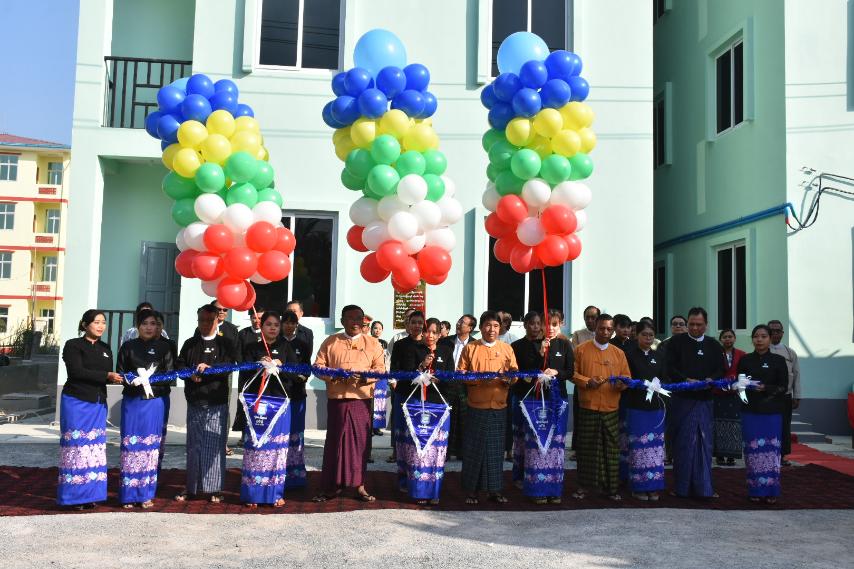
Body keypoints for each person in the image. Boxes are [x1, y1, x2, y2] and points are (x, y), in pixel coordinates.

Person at [312, 304, 385, 502]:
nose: (355, 322)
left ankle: (359, 485)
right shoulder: (331, 341)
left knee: (360, 444)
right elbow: (318, 367)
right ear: (342, 321)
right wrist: (336, 375)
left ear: (364, 322)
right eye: (351, 318)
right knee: (335, 443)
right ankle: (330, 487)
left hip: (362, 400)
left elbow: (381, 369)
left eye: (359, 318)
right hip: (338, 400)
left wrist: (364, 377)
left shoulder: (373, 343)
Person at [58, 310, 124, 509]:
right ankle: (73, 497)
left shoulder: (105, 348)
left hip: (97, 403)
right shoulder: (73, 345)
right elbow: (76, 372)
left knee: (93, 450)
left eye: (103, 322)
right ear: (85, 324)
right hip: (76, 401)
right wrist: (106, 375)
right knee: (77, 449)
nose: (101, 326)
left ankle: (90, 495)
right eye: (96, 322)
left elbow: (108, 374)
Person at [239, 311, 302, 508]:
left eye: (276, 325)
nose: (273, 328)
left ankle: (275, 493)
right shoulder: (252, 347)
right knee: (256, 448)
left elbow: (296, 374)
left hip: (280, 405)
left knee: (277, 450)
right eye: (268, 324)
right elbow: (244, 372)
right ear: (261, 326)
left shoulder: (286, 347)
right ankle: (253, 493)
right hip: (257, 404)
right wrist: (259, 365)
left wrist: (281, 366)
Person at [175, 304, 238, 503]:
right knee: (194, 445)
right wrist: (190, 374)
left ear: (217, 320)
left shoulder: (226, 343)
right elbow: (179, 365)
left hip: (217, 400)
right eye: (201, 320)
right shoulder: (190, 343)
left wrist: (210, 368)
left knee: (215, 446)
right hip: (195, 400)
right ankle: (192, 487)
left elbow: (229, 366)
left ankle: (214, 489)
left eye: (209, 320)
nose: (205, 324)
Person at [510, 310, 573, 504]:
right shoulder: (535, 345)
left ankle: (554, 488)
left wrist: (557, 372)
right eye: (547, 324)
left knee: (555, 445)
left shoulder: (565, 345)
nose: (550, 328)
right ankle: (536, 488)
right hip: (535, 401)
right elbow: (529, 371)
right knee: (536, 445)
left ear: (560, 325)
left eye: (555, 324)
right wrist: (540, 354)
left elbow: (570, 371)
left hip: (557, 400)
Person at [457, 310, 519, 505]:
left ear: (500, 328)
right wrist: (479, 379)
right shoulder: (471, 348)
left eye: (496, 326)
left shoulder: (507, 349)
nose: (492, 329)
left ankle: (495, 490)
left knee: (495, 450)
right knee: (474, 450)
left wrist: (509, 379)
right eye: (488, 325)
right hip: (476, 405)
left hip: (499, 406)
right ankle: (472, 491)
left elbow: (515, 373)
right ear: (481, 327)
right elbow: (461, 373)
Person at [116, 309, 175, 509]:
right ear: (138, 326)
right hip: (133, 401)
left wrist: (149, 381)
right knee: (131, 445)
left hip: (154, 402)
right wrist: (134, 380)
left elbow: (170, 375)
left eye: (153, 323)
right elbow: (120, 373)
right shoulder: (128, 347)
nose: (149, 327)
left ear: (158, 326)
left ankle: (146, 493)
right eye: (144, 323)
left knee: (150, 447)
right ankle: (128, 493)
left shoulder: (165, 347)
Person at [665, 307, 725, 499]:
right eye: (691, 324)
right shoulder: (676, 343)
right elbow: (668, 367)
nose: (695, 328)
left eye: (699, 324)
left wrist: (711, 379)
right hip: (683, 401)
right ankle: (681, 488)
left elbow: (721, 369)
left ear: (706, 325)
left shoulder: (714, 345)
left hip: (705, 401)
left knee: (704, 445)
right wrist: (685, 380)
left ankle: (704, 488)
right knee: (683, 445)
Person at [393, 317, 455, 505]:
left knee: (436, 451)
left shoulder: (446, 350)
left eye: (435, 332)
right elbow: (407, 375)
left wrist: (440, 379)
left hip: (438, 405)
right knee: (418, 450)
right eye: (428, 331)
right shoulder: (415, 349)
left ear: (440, 334)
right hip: (417, 404)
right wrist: (422, 366)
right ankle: (418, 490)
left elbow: (451, 377)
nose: (430, 335)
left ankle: (434, 491)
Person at [571, 313, 630, 501]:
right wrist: (588, 381)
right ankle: (583, 487)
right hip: (588, 406)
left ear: (613, 331)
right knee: (586, 448)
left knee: (611, 449)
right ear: (595, 328)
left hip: (611, 407)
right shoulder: (581, 350)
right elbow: (572, 373)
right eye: (602, 328)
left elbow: (626, 377)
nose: (605, 332)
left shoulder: (618, 353)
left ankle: (611, 489)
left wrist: (621, 384)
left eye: (609, 329)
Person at [737, 325, 789, 504]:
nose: (759, 339)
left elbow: (783, 387)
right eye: (756, 336)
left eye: (763, 336)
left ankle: (771, 490)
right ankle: (755, 490)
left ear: (770, 338)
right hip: (750, 411)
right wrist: (742, 387)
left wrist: (766, 388)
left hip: (772, 412)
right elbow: (740, 383)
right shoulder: (745, 360)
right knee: (752, 451)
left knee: (771, 451)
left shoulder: (778, 360)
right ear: (752, 339)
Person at [622, 321, 666, 501]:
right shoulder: (629, 356)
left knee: (654, 448)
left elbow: (665, 378)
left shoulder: (659, 356)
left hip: (655, 409)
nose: (648, 338)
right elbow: (625, 380)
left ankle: (653, 485)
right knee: (639, 448)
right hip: (636, 407)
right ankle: (638, 486)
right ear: (637, 335)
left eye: (651, 335)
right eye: (644, 334)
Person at [389, 311, 426, 464]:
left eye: (420, 322)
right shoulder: (400, 344)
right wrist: (396, 380)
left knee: (418, 428)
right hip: (403, 391)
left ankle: (418, 459)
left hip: (422, 393)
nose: (417, 325)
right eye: (413, 322)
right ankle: (400, 458)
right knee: (401, 426)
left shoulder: (427, 345)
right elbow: (394, 368)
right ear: (408, 324)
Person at [439, 313, 477, 459]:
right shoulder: (445, 342)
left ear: (470, 328)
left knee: (464, 420)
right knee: (446, 418)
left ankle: (462, 452)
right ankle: (446, 451)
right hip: (447, 385)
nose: (458, 324)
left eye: (463, 322)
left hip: (465, 386)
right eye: (459, 321)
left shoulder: (475, 345)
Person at [280, 309, 311, 487]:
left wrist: (303, 377)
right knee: (280, 434)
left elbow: (307, 367)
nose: (289, 326)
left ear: (297, 326)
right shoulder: (276, 343)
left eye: (293, 323)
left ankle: (296, 474)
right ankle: (278, 472)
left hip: (298, 394)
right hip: (280, 394)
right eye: (286, 322)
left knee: (296, 433)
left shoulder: (303, 344)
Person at [768, 319, 801, 465]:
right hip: (767, 396)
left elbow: (797, 375)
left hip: (785, 396)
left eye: (778, 331)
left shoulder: (790, 352)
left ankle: (782, 456)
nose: (775, 334)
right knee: (768, 425)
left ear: (782, 333)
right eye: (772, 331)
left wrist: (797, 395)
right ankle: (768, 453)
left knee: (784, 426)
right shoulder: (763, 350)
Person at [570, 305, 600, 459]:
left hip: (601, 384)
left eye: (593, 317)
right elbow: (575, 357)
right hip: (582, 383)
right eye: (587, 317)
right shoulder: (578, 335)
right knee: (580, 417)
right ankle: (577, 449)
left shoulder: (604, 334)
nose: (590, 320)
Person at [658, 314, 687, 465]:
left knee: (685, 423)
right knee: (670, 423)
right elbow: (662, 367)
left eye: (681, 324)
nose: (678, 326)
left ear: (686, 327)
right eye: (675, 324)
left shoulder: (691, 344)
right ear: (671, 327)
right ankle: (669, 454)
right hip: (668, 388)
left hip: (687, 389)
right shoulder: (663, 345)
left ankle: (683, 454)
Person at [714, 329, 745, 466]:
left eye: (730, 336)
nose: (728, 339)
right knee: (718, 424)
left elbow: (744, 372)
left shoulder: (742, 355)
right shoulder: (715, 354)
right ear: (721, 339)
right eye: (725, 337)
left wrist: (738, 383)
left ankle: (731, 455)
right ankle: (719, 455)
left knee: (734, 424)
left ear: (734, 338)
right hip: (718, 394)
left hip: (734, 394)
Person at [369, 320, 390, 436]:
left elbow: (387, 359)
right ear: (371, 329)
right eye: (375, 328)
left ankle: (377, 427)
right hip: (371, 375)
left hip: (382, 376)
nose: (377, 330)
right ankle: (369, 426)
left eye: (379, 329)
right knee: (370, 401)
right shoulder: (367, 341)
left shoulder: (384, 343)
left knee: (380, 401)